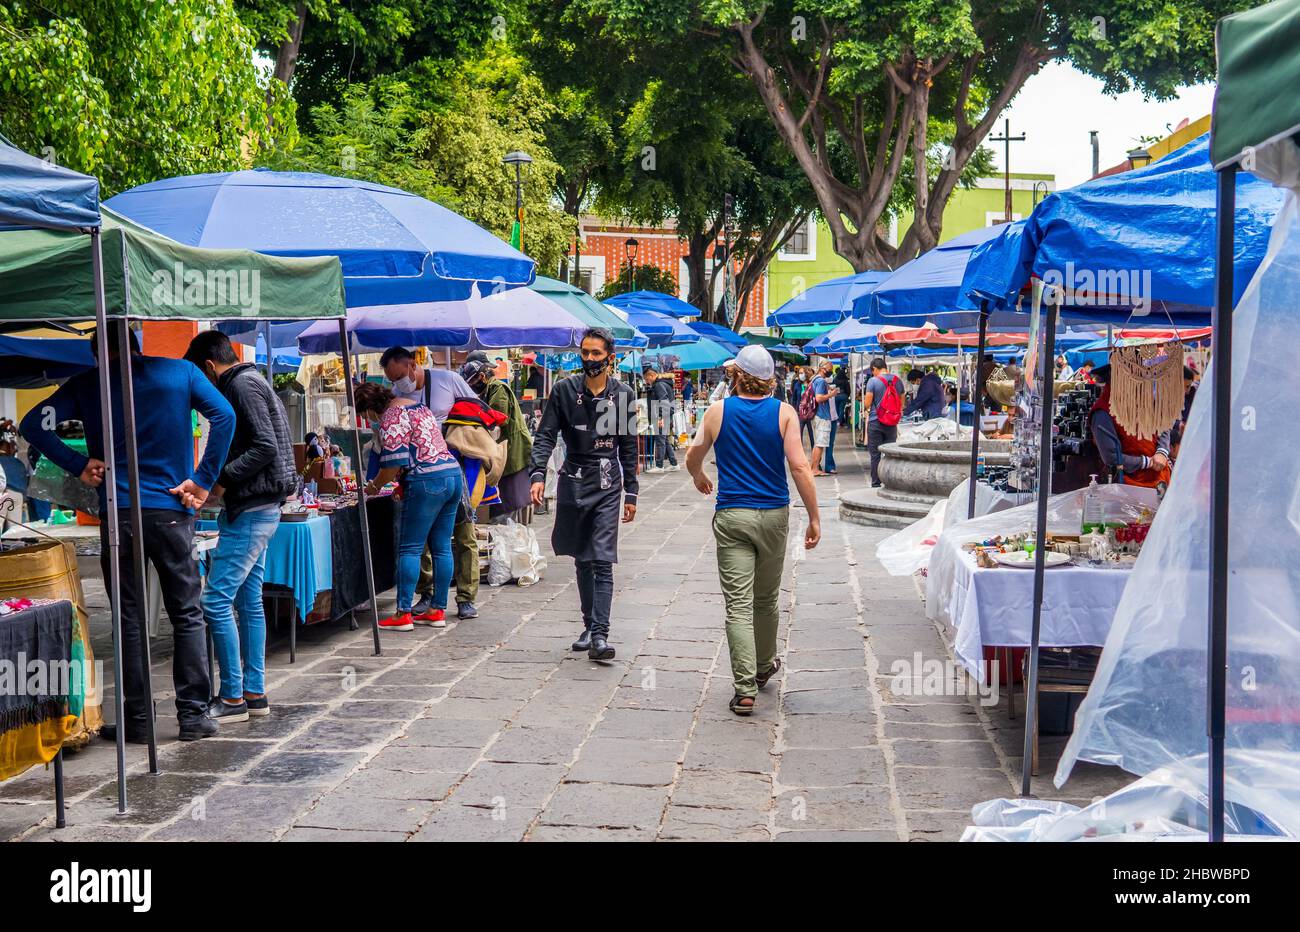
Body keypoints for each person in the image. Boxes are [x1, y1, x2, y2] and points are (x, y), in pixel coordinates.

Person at [22, 327, 235, 742]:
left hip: (118, 513)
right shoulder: (182, 373)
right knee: (187, 612)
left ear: (99, 355)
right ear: (137, 345)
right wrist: (204, 480)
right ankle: (192, 715)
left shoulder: (87, 384)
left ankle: (138, 720)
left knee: (129, 618)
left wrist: (78, 462)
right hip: (172, 509)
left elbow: (33, 424)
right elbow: (225, 416)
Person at [687, 345, 820, 715]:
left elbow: (693, 454)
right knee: (766, 599)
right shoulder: (786, 414)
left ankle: (744, 688)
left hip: (732, 517)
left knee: (738, 606)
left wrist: (699, 475)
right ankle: (763, 667)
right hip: (775, 516)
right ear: (770, 379)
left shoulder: (717, 412)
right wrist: (814, 516)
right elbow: (799, 468)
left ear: (736, 375)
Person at [183, 331, 295, 723]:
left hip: (254, 506)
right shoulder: (253, 380)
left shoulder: (240, 386)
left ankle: (232, 697)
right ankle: (254, 692)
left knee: (214, 601)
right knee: (248, 602)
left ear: (209, 368)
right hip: (257, 505)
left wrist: (220, 482)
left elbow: (263, 446)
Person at [528, 328, 638, 662]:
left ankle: (601, 636)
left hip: (607, 482)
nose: (590, 359)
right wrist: (537, 474)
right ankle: (589, 625)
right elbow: (545, 435)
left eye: (596, 353)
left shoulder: (623, 396)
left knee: (602, 558)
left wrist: (631, 491)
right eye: (585, 353)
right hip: (573, 480)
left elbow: (629, 446)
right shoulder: (563, 390)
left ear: (610, 356)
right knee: (582, 557)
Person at [380, 346, 481, 620]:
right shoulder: (398, 396)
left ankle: (465, 597)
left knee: (463, 533)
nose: (398, 384)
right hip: (424, 471)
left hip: (456, 462)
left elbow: (477, 413)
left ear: (413, 365)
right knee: (427, 542)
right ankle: (429, 597)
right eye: (391, 380)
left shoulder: (448, 379)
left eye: (400, 376)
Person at [355, 380, 463, 631]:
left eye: (363, 414)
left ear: (370, 408)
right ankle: (437, 610)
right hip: (451, 475)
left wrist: (374, 487)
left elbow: (392, 465)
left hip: (426, 480)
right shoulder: (418, 406)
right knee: (442, 547)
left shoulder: (391, 417)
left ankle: (403, 612)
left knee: (410, 548)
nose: (366, 419)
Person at [1088, 364, 1172, 488]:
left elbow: (1164, 424)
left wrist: (1162, 452)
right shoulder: (1102, 412)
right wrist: (1148, 462)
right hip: (1130, 486)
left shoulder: (1144, 399)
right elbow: (1111, 457)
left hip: (1161, 480)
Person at [862, 357, 904, 488]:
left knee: (875, 454)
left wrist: (867, 408)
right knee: (890, 453)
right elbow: (901, 403)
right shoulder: (898, 381)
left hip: (876, 421)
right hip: (891, 423)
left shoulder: (872, 381)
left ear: (874, 368)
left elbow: (867, 403)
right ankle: (890, 481)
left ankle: (876, 482)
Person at [644, 365, 679, 472]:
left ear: (651, 375)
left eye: (646, 378)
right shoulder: (663, 383)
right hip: (665, 416)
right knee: (664, 440)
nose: (646, 381)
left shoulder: (659, 385)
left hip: (662, 417)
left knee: (660, 441)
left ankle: (659, 466)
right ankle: (674, 464)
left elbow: (663, 401)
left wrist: (661, 417)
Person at [808, 359, 838, 476]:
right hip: (822, 416)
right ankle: (814, 469)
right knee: (820, 444)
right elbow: (819, 398)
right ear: (822, 369)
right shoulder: (820, 381)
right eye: (829, 370)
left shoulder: (815, 380)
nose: (830, 372)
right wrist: (832, 394)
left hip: (817, 415)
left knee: (818, 443)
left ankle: (814, 468)